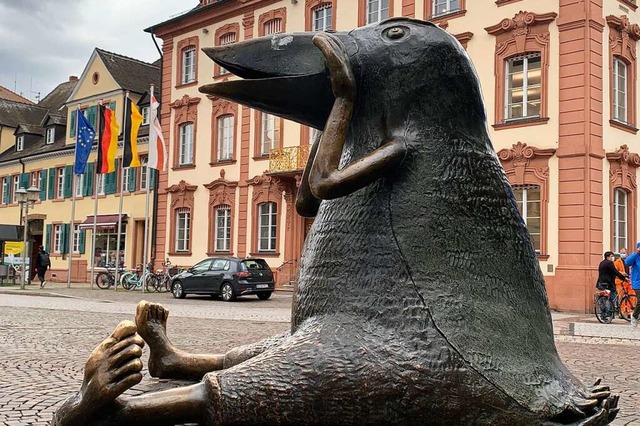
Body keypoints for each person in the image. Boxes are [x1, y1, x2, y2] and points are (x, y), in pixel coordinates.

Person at [625, 242, 640, 327]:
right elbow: (627, 262)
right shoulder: (635, 256)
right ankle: (634, 316)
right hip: (637, 283)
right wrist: (636, 253)